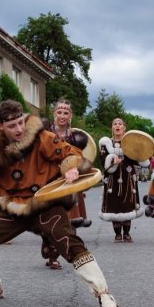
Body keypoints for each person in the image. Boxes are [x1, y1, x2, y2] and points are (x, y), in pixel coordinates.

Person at [0, 100, 120, 307]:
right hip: (15, 208)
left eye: (21, 123)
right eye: (12, 126)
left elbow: (72, 152)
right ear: (1, 126)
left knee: (69, 243)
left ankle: (103, 293)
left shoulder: (43, 137)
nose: (19, 129)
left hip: (46, 204)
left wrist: (71, 167)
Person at [39, 99, 92, 269]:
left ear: (70, 116)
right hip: (48, 178)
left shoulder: (75, 138)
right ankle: (49, 246)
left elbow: (80, 159)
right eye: (59, 112)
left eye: (66, 113)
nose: (62, 115)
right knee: (48, 216)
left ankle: (59, 254)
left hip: (68, 180)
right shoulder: (45, 133)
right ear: (54, 114)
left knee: (65, 219)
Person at [99, 118, 147, 242]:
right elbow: (103, 161)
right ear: (112, 127)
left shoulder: (130, 143)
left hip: (128, 178)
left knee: (127, 204)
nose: (117, 126)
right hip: (112, 179)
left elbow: (138, 159)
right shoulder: (106, 143)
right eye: (115, 124)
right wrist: (111, 160)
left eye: (120, 124)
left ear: (124, 128)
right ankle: (117, 234)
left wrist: (142, 154)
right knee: (115, 205)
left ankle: (126, 233)